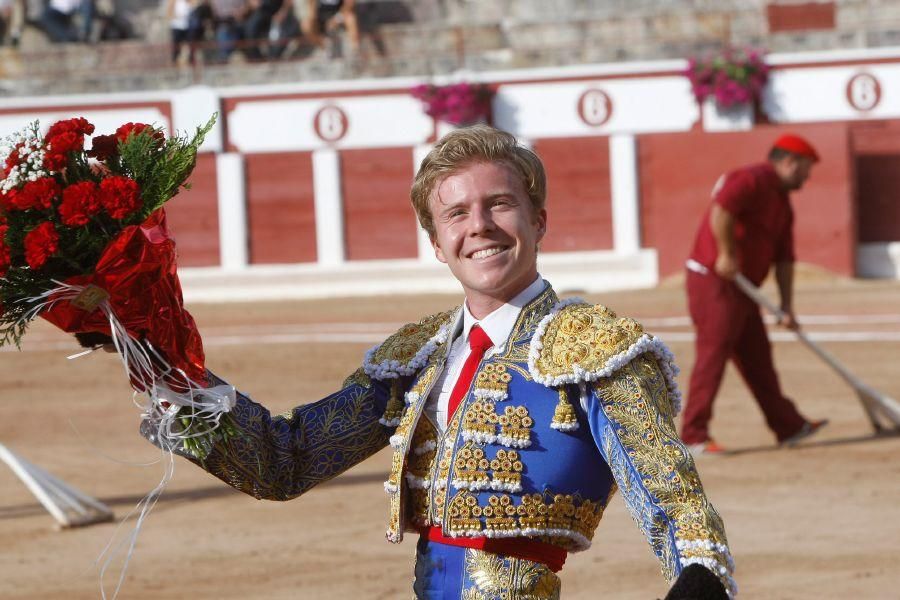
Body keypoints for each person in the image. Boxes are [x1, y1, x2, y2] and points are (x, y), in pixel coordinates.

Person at [143, 126, 736, 598]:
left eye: (500, 204)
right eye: (456, 214)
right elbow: (286, 461)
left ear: (540, 221)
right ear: (436, 243)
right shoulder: (416, 356)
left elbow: (674, 504)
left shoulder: (594, 348)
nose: (479, 226)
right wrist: (155, 360)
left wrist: (702, 579)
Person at [682, 134, 829, 455]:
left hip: (744, 288)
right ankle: (693, 434)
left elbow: (785, 259)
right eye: (805, 169)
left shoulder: (782, 202)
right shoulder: (751, 179)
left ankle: (788, 426)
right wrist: (726, 254)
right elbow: (721, 210)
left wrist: (787, 306)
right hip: (714, 281)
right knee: (714, 353)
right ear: (789, 162)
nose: (807, 177)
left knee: (758, 358)